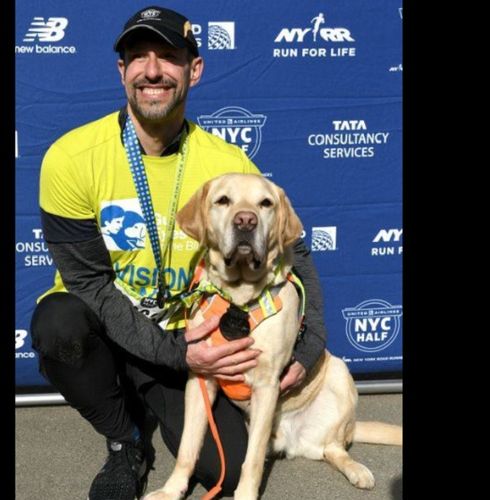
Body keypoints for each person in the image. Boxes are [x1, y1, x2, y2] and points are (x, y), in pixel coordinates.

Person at [30, 6, 328, 500]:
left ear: (194, 70)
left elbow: (297, 254)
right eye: (138, 57)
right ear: (121, 70)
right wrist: (179, 352)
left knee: (227, 475)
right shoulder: (70, 157)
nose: (152, 70)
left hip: (187, 344)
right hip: (109, 330)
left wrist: (308, 343)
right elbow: (87, 283)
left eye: (169, 57)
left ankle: (150, 404)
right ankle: (126, 441)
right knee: (57, 322)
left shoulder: (229, 165)